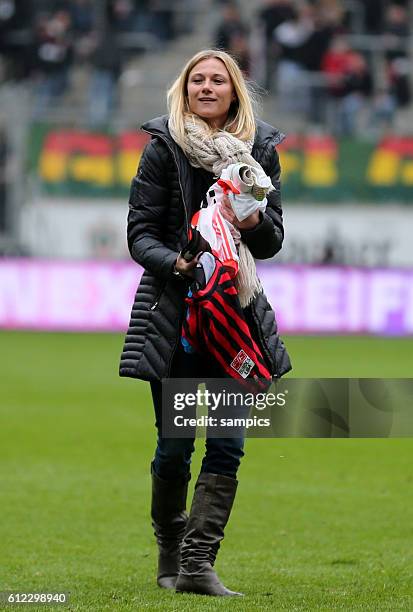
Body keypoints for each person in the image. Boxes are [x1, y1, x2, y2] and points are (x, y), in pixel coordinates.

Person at [119, 48, 291, 597]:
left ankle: (197, 565)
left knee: (228, 445)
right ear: (185, 89)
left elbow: (272, 241)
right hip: (176, 319)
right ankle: (170, 551)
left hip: (234, 319)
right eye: (198, 80)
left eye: (219, 80)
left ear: (235, 90)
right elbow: (140, 234)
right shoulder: (162, 148)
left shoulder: (259, 151)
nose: (208, 87)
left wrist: (256, 219)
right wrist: (178, 263)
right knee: (174, 445)